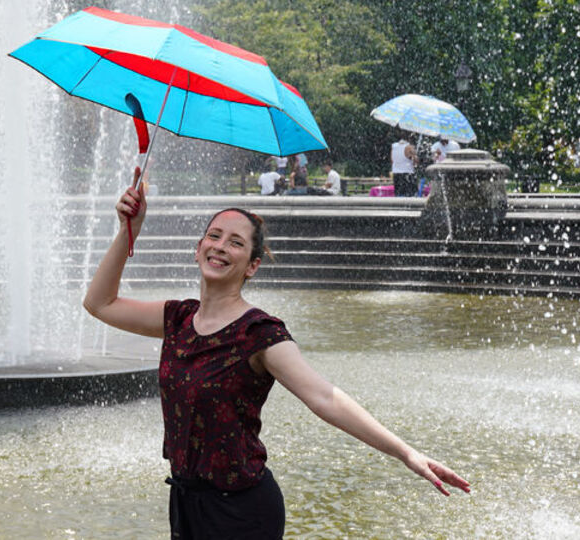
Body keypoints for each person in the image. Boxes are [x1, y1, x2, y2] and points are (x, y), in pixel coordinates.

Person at [83, 169, 470, 539]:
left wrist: (405, 453)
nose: (220, 246)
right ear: (198, 248)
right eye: (214, 236)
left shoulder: (259, 333)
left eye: (235, 242)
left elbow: (324, 397)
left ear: (252, 265)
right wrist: (127, 232)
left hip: (242, 512)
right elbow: (100, 303)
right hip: (186, 501)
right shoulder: (178, 317)